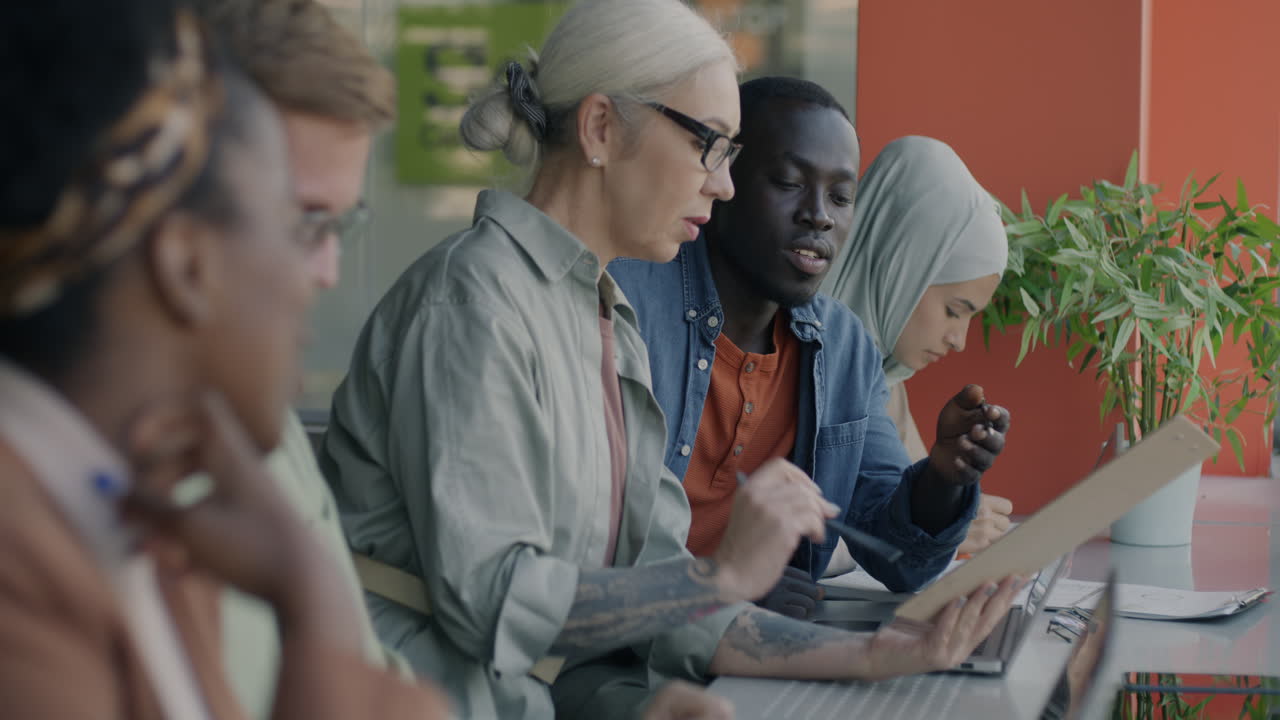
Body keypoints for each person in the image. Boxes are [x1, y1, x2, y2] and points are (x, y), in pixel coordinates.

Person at [321, 3, 1021, 718]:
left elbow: (659, 585)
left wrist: (879, 655)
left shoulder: (602, 316)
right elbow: (494, 604)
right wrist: (720, 575)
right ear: (599, 129)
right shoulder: (475, 304)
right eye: (710, 145)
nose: (722, 183)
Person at [0, 1, 447, 718]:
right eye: (295, 222)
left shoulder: (175, 495)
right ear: (186, 261)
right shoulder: (28, 563)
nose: (321, 270)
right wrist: (315, 604)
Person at [608, 77, 1011, 620]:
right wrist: (722, 592)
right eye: (789, 182)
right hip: (627, 661)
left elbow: (897, 558)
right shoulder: (623, 301)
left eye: (841, 197)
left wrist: (943, 479)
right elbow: (581, 547)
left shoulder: (846, 348)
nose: (820, 214)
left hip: (766, 657)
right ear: (725, 180)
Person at [187, 1, 410, 714]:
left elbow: (370, 673)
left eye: (341, 223)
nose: (328, 271)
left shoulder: (264, 410)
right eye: (307, 220)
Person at [821, 135, 1014, 559]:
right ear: (902, 268)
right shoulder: (788, 352)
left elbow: (900, 517)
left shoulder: (887, 382)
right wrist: (950, 535)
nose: (958, 340)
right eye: (953, 310)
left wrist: (948, 512)